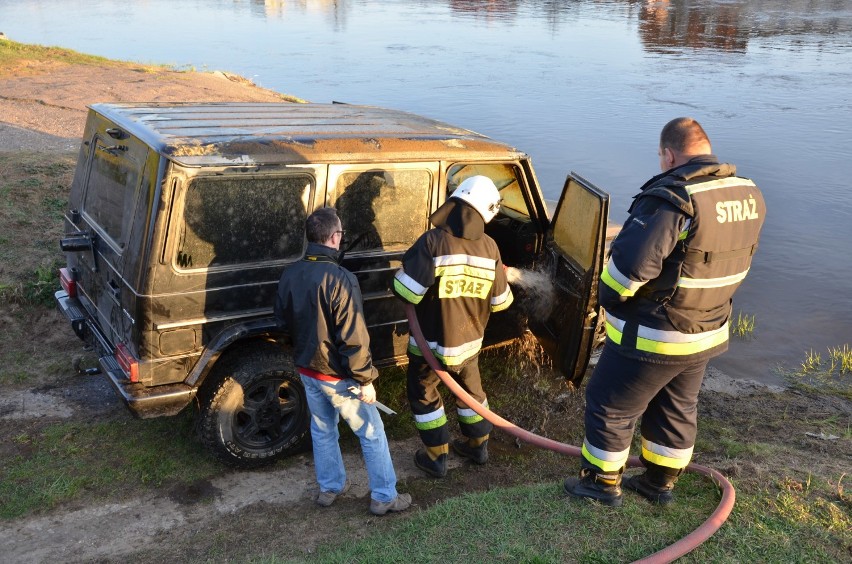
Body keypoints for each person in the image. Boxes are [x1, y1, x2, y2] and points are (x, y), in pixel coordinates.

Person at [564, 117, 766, 506]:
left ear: (669, 154)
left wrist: (606, 298)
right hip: (708, 328)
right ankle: (659, 484)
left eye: (661, 157)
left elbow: (630, 269)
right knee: (676, 404)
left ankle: (601, 484)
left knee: (610, 404)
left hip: (657, 333)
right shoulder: (746, 193)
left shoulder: (672, 197)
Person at [274, 207, 411, 516]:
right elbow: (354, 338)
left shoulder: (291, 272)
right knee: (372, 433)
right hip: (338, 378)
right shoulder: (341, 279)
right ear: (335, 238)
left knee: (322, 430)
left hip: (307, 371)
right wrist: (365, 380)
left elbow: (282, 323)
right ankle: (384, 496)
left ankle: (329, 488)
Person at [393, 175, 513, 478]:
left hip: (430, 345)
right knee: (471, 394)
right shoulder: (490, 247)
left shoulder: (433, 242)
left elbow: (408, 293)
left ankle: (436, 457)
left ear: (456, 201)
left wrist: (397, 274)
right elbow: (501, 303)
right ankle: (477, 445)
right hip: (469, 344)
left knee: (424, 394)